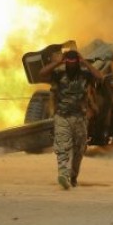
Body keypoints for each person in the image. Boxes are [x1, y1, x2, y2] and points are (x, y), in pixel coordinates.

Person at [37, 49, 103, 190]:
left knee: (79, 149)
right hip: (62, 116)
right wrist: (58, 62)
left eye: (73, 62)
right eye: (68, 62)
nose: (71, 65)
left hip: (80, 118)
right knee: (62, 145)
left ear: (77, 62)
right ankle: (63, 174)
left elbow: (99, 77)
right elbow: (41, 74)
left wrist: (84, 61)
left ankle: (72, 177)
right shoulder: (59, 74)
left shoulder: (85, 75)